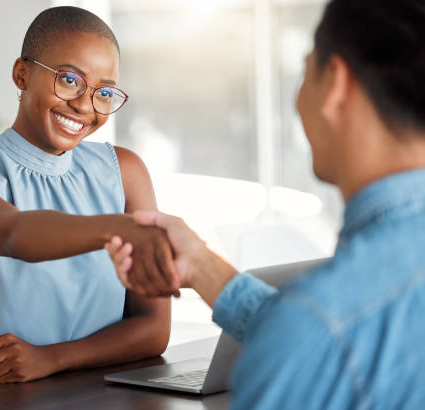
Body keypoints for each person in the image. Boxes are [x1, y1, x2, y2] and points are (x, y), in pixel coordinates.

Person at [106, 0, 425, 408]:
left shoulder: (314, 333)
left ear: (336, 86)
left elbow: (318, 337)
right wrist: (201, 265)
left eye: (305, 72)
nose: (297, 102)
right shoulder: (328, 325)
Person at [0, 6, 179, 398]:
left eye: (104, 92)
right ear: (21, 74)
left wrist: (52, 358)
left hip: (99, 388)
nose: (84, 105)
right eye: (69, 80)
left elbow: (152, 328)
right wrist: (118, 228)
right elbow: (13, 233)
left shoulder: (124, 172)